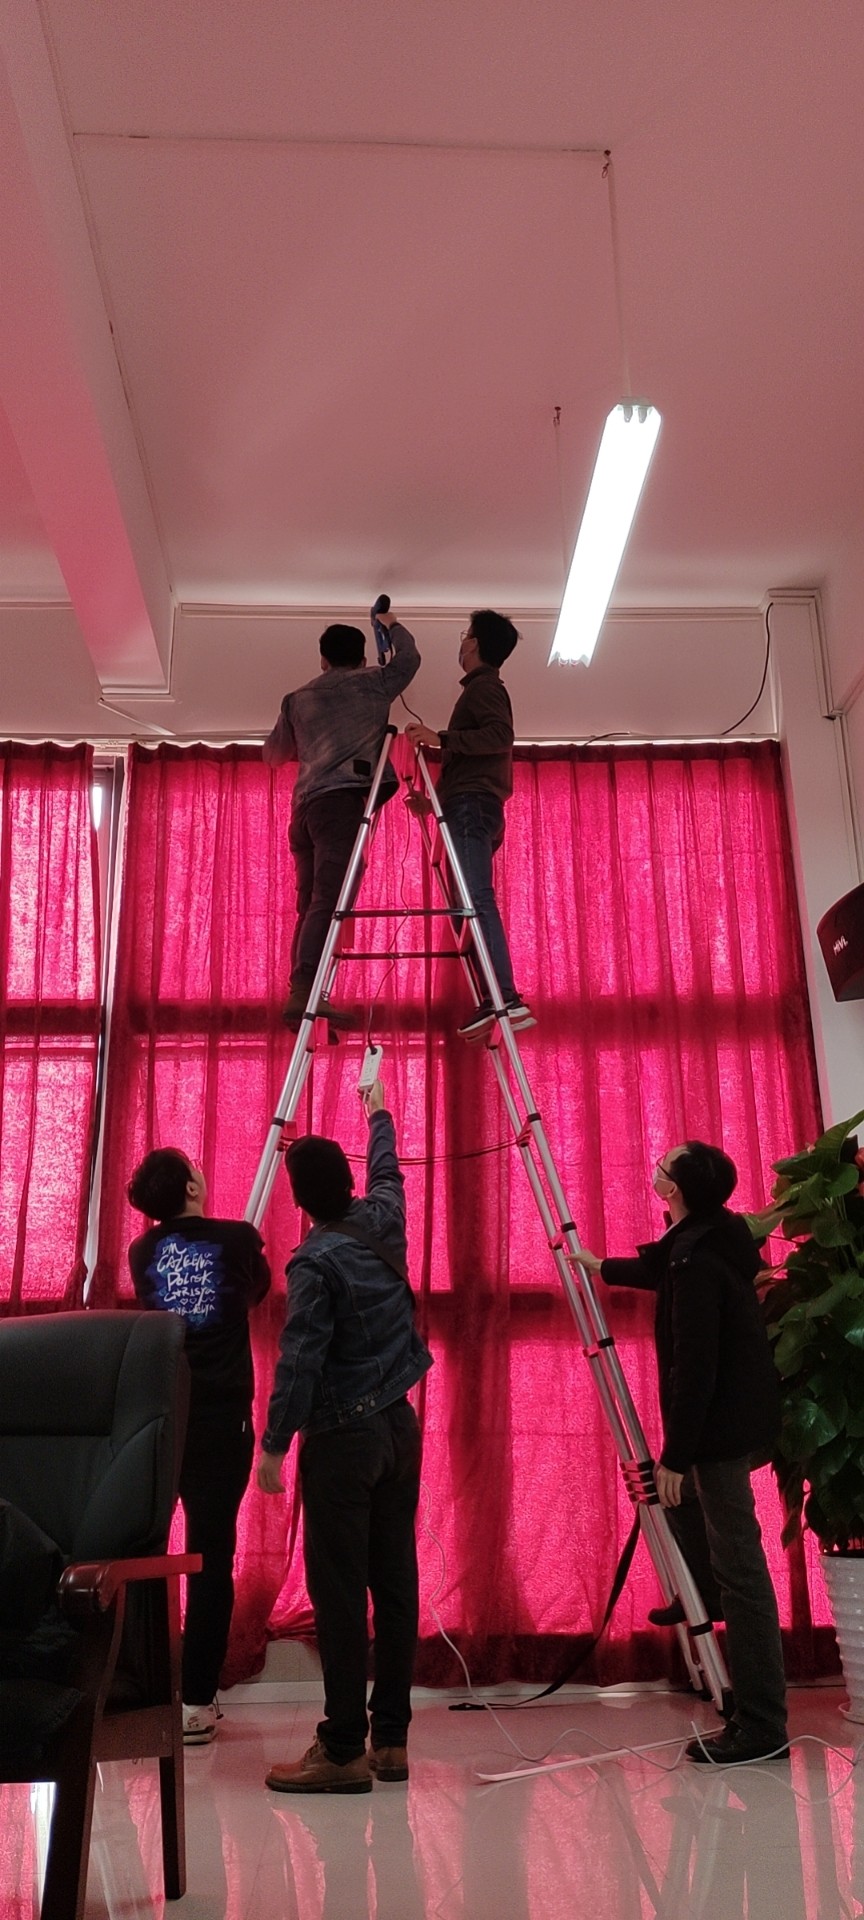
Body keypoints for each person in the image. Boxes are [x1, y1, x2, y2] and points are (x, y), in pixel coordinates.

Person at [580, 1141, 788, 1766]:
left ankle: (762, 1726)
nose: (655, 1167)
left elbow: (696, 1367)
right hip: (740, 1417)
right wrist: (601, 1266)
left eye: (663, 1166)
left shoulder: (696, 1258)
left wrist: (677, 1455)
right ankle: (706, 1591)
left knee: (740, 1569)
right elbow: (660, 1267)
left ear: (672, 1189)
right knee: (677, 1501)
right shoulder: (710, 1235)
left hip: (719, 1427)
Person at [258, 1076, 432, 1794]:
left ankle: (341, 1750)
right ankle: (390, 1741)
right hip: (399, 1425)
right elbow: (389, 1169)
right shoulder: (383, 1217)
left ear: (299, 1202)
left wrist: (274, 1444)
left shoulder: (313, 1261)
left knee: (337, 1594)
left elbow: (301, 1358)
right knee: (394, 1581)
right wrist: (377, 1108)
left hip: (343, 1441)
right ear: (349, 1182)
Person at [127, 1149, 271, 1744]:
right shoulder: (238, 1239)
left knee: (145, 1553)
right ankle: (196, 1701)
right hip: (220, 1420)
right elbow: (257, 1292)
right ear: (192, 1186)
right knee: (211, 1557)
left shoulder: (141, 1252)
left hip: (160, 1418)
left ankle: (138, 1689)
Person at [264, 610, 420, 1028]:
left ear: (323, 659)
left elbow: (274, 755)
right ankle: (307, 990)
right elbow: (409, 659)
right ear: (362, 658)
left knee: (311, 904)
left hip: (305, 812)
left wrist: (312, 742)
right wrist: (390, 622)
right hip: (340, 807)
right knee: (329, 901)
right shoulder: (373, 682)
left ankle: (303, 991)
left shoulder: (296, 699)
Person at [405, 609, 533, 1039]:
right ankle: (494, 997)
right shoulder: (481, 689)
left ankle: (505, 997)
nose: (462, 642)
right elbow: (471, 762)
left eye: (466, 635)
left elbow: (499, 737)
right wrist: (433, 803)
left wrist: (442, 738)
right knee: (469, 902)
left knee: (476, 899)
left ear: (474, 643)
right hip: (471, 804)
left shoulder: (485, 688)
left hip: (472, 806)